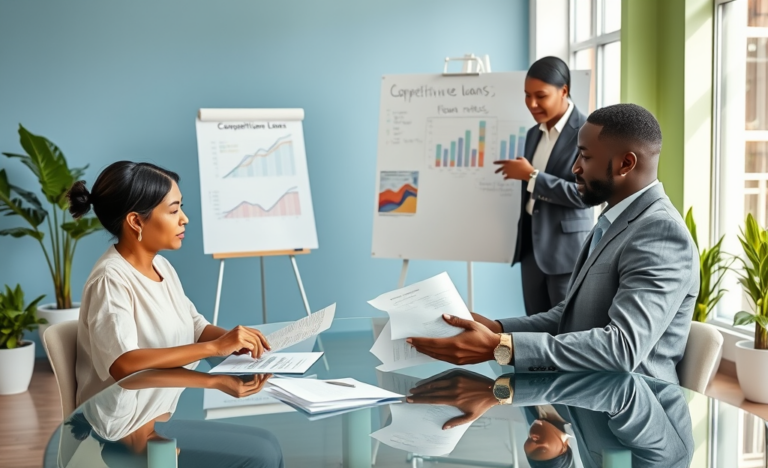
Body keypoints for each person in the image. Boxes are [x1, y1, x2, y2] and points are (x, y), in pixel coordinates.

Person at [409, 104, 699, 384]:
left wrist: (501, 347)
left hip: (631, 414)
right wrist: (495, 328)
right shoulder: (613, 220)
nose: (575, 168)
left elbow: (622, 348)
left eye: (585, 156)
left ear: (626, 163)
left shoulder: (660, 233)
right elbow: (570, 316)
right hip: (588, 394)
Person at [68, 161, 271, 405]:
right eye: (174, 211)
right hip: (121, 428)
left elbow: (195, 328)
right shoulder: (109, 280)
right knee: (260, 444)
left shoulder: (161, 266)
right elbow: (124, 364)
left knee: (264, 444)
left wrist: (235, 341)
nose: (184, 219)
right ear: (136, 222)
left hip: (159, 409)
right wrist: (215, 357)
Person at [494, 56, 593, 316]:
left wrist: (532, 176)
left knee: (565, 332)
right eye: (527, 96)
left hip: (565, 254)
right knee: (534, 330)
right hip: (531, 251)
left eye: (541, 96)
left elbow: (585, 195)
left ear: (564, 91)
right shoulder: (533, 134)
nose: (532, 104)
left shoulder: (588, 133)